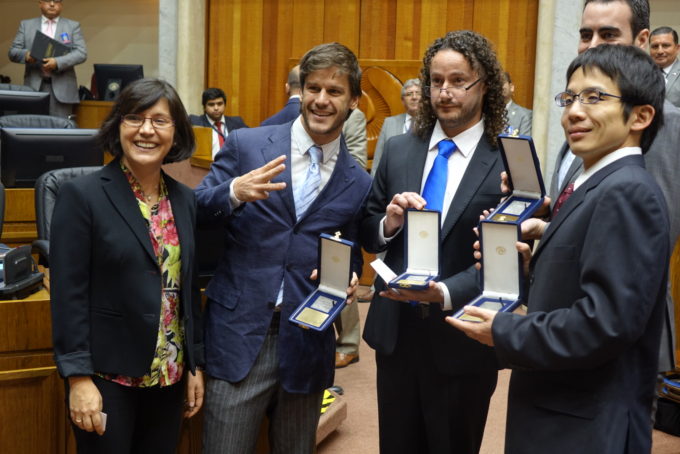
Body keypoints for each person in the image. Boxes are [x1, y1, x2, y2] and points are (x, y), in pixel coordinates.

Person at [449, 44, 669, 454]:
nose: (574, 111)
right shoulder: (593, 185)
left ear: (640, 116)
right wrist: (534, 266)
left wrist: (503, 330)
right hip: (558, 410)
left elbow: (604, 325)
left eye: (595, 97)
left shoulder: (627, 193)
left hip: (584, 426)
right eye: (569, 98)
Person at [196, 42, 372, 454]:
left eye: (335, 91)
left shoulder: (358, 179)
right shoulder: (247, 145)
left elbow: (347, 246)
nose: (321, 100)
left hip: (307, 341)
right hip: (238, 335)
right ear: (301, 90)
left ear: (353, 101)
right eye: (314, 88)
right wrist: (234, 191)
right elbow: (196, 209)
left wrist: (346, 274)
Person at [360, 30, 506, 454]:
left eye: (458, 80)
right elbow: (367, 226)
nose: (445, 92)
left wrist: (444, 292)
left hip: (463, 338)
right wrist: (388, 223)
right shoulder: (401, 149)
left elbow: (507, 260)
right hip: (397, 338)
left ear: (485, 86)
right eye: (436, 81)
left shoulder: (506, 160)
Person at [50, 78, 204, 453]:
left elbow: (186, 288)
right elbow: (69, 295)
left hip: (168, 375)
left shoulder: (184, 200)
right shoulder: (81, 195)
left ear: (176, 132)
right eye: (135, 118)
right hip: (106, 378)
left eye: (160, 121)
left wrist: (194, 366)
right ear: (118, 126)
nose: (147, 130)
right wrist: (78, 379)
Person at [545, 0, 680, 375]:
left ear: (641, 40)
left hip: (615, 334)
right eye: (586, 35)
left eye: (608, 35)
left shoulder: (665, 124)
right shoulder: (581, 116)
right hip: (561, 321)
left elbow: (649, 241)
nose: (593, 47)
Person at [8, 0, 87, 118]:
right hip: (33, 88)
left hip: (62, 90)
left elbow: (81, 53)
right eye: (47, 1)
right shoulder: (26, 25)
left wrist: (58, 62)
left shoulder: (72, 26)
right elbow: (13, 52)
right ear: (40, 3)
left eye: (56, 1)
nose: (52, 4)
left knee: (60, 131)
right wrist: (26, 56)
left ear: (61, 4)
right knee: (32, 129)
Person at [371, 78, 421, 176]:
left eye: (418, 93)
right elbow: (378, 160)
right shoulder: (389, 123)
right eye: (409, 94)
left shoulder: (433, 124)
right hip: (393, 180)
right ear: (403, 101)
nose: (414, 97)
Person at [189, 87, 248, 158]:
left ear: (224, 105)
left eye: (219, 104)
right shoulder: (195, 122)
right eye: (211, 104)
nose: (216, 108)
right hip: (207, 166)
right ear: (204, 107)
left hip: (232, 166)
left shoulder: (237, 122)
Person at [650, 26, 680, 108]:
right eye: (655, 46)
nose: (660, 51)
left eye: (665, 46)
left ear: (677, 49)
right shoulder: (642, 73)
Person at [502, 71, 532, 136]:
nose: (499, 86)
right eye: (495, 83)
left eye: (502, 82)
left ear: (511, 87)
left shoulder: (524, 115)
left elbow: (523, 144)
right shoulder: (485, 113)